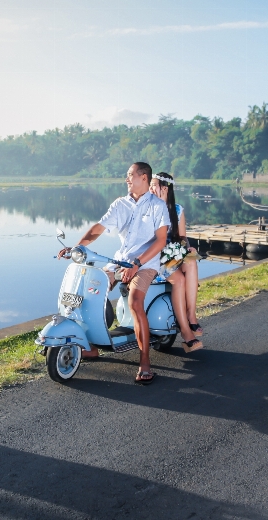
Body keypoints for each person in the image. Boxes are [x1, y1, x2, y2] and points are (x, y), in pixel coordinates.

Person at [57, 162, 168, 384]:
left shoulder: (157, 206)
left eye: (130, 175)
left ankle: (144, 361)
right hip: (120, 260)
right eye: (127, 176)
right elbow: (98, 228)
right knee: (88, 293)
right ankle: (89, 346)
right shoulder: (120, 204)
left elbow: (161, 241)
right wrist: (77, 247)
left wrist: (137, 263)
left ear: (144, 177)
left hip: (146, 264)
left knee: (136, 302)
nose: (126, 179)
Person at [150, 172, 204, 351]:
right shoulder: (149, 208)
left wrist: (187, 248)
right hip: (154, 256)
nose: (150, 188)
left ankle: (191, 315)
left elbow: (182, 238)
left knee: (191, 260)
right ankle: (186, 329)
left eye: (153, 185)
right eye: (149, 185)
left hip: (170, 255)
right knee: (179, 278)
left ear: (165, 188)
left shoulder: (178, 210)